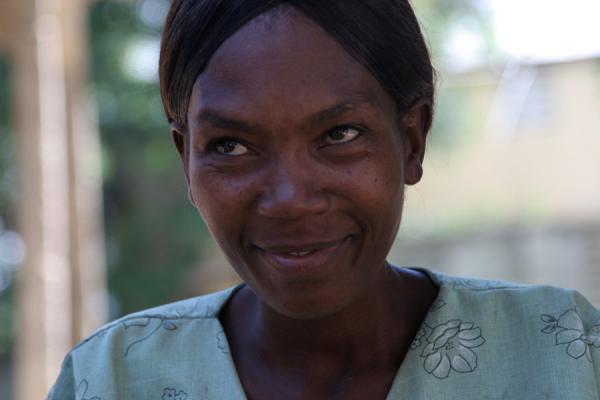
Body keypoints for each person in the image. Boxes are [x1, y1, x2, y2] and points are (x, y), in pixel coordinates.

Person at [48, 1, 600, 399]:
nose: (290, 199)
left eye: (339, 135)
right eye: (231, 145)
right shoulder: (112, 379)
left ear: (411, 139)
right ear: (186, 160)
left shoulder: (566, 352)